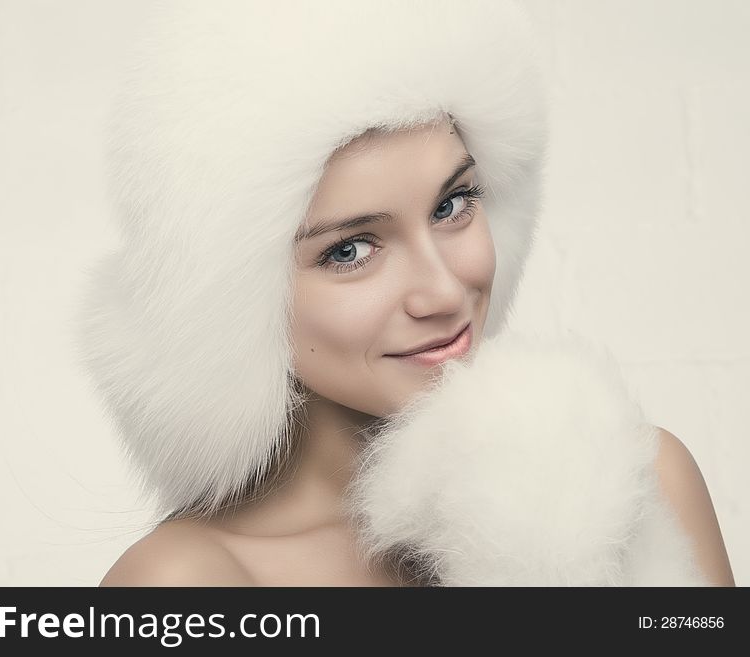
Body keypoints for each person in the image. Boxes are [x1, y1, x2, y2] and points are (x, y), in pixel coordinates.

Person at [75, 0, 734, 586]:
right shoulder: (188, 583)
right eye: (351, 250)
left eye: (453, 204)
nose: (444, 290)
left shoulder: (636, 482)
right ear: (239, 305)